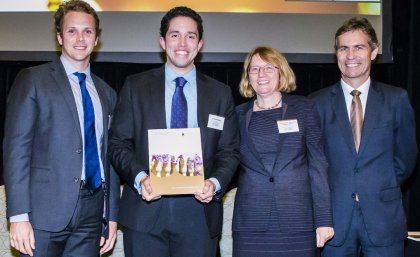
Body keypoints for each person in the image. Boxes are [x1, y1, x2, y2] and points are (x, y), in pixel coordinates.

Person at [108, 6, 240, 257]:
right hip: (145, 211)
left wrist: (214, 183)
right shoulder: (135, 86)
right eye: (175, 35)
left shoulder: (220, 93)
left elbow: (230, 151)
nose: (182, 43)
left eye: (190, 36)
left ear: (199, 44)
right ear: (162, 41)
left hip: (199, 215)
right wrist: (140, 179)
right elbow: (118, 143)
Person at [2, 0, 119, 256]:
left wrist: (110, 216)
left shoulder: (106, 93)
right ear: (59, 37)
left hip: (92, 211)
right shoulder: (33, 80)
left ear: (97, 38)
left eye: (87, 31)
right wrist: (18, 216)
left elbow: (108, 158)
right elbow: (16, 150)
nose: (80, 38)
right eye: (71, 30)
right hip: (42, 214)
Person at [309, 17, 418, 257]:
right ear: (336, 53)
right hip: (334, 221)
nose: (350, 56)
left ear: (374, 51)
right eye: (343, 48)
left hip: (383, 217)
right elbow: (313, 161)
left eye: (358, 47)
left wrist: (378, 184)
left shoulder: (396, 99)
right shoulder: (315, 103)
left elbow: (406, 158)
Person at [232, 46, 334, 257]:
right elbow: (225, 158)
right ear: (247, 76)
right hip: (250, 224)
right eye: (254, 69)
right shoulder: (237, 116)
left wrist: (324, 219)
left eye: (269, 67)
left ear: (281, 72)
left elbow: (318, 165)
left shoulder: (305, 108)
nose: (261, 74)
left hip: (297, 221)